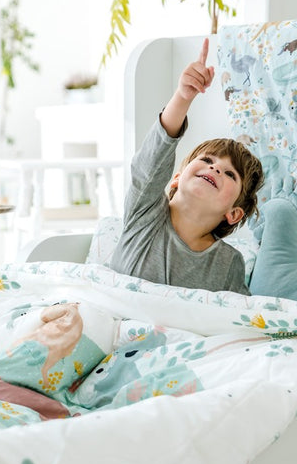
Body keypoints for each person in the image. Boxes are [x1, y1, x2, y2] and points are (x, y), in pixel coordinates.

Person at [109, 38, 264, 295]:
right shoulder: (145, 214)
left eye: (229, 174)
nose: (214, 169)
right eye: (206, 160)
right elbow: (149, 164)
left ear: (234, 213)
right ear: (176, 179)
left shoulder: (228, 263)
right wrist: (183, 96)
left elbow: (234, 318)